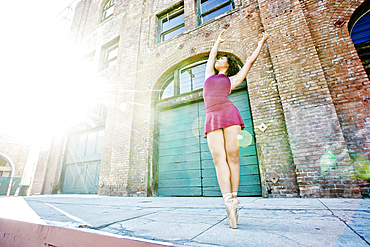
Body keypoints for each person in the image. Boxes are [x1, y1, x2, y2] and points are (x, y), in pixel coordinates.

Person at [203, 29, 269, 228]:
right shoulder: (208, 76)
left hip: (229, 114)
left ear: (227, 65)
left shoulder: (232, 80)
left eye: (222, 59)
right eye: (217, 59)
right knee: (218, 158)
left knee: (232, 156)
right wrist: (217, 41)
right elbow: (211, 55)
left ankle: (234, 197)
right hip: (212, 116)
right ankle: (228, 202)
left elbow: (249, 62)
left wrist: (261, 42)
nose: (217, 60)